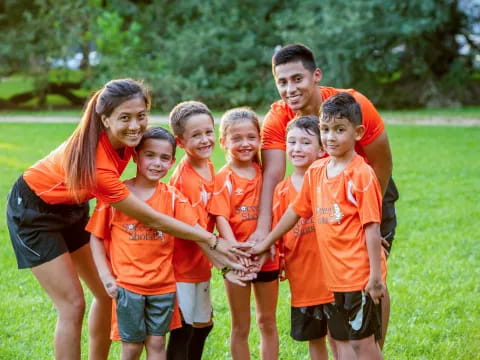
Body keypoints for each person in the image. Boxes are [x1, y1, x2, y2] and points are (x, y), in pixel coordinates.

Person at [5, 79, 243, 360]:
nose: (135, 126)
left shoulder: (134, 142)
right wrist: (212, 240)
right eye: (125, 118)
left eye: (141, 116)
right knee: (72, 304)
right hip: (34, 211)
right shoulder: (98, 166)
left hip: (73, 206)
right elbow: (155, 219)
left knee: (106, 296)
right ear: (105, 119)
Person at [252, 43, 398, 346]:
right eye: (282, 81)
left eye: (297, 79)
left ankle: (372, 347)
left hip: (367, 188)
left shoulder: (353, 104)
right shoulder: (277, 118)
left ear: (316, 75)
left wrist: (368, 214)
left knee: (372, 272)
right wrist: (265, 233)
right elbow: (274, 177)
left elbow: (382, 161)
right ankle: (349, 345)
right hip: (318, 194)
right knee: (335, 277)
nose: (290, 89)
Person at [273, 115, 346, 360]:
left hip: (334, 278)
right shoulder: (282, 190)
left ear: (321, 149)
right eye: (291, 142)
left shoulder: (329, 180)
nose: (296, 148)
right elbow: (278, 232)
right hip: (303, 280)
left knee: (339, 338)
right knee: (315, 340)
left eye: (305, 142)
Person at [209, 108, 280, 360]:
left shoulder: (267, 175)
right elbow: (221, 218)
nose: (245, 144)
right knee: (241, 326)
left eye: (251, 137)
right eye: (236, 138)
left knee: (267, 322)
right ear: (223, 142)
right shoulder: (222, 178)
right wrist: (236, 253)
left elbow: (275, 214)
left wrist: (268, 244)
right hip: (236, 260)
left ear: (259, 139)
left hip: (268, 257)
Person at [166, 101, 220, 360]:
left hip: (200, 265)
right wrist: (226, 264)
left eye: (208, 132)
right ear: (180, 142)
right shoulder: (185, 180)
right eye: (196, 135)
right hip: (183, 268)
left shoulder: (208, 167)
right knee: (183, 330)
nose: (205, 139)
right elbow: (195, 232)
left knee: (203, 325)